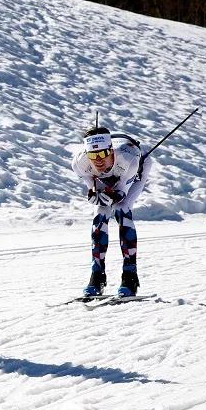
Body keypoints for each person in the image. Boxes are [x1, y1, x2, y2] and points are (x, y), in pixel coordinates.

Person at [70, 126, 155, 297]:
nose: (98, 160)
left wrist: (111, 195)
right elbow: (94, 189)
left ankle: (130, 276)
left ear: (111, 151)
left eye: (102, 154)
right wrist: (95, 194)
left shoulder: (127, 159)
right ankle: (96, 276)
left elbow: (120, 194)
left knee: (121, 209)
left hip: (136, 167)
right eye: (93, 155)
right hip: (112, 172)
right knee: (100, 213)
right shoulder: (80, 163)